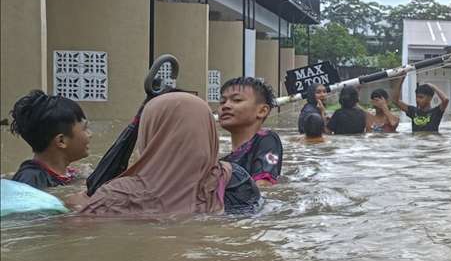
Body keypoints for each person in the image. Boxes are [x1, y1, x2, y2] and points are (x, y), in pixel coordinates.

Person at [71, 92, 260, 217]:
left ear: (150, 134)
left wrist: (79, 205)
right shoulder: (235, 178)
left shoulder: (116, 195)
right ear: (208, 131)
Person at [9, 90, 91, 189]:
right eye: (85, 128)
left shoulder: (72, 175)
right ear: (61, 141)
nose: (90, 134)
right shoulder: (30, 179)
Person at [218, 77, 283, 187]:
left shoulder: (267, 140)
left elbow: (263, 186)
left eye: (237, 100)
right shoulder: (222, 163)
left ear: (262, 111)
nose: (225, 106)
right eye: (222, 102)